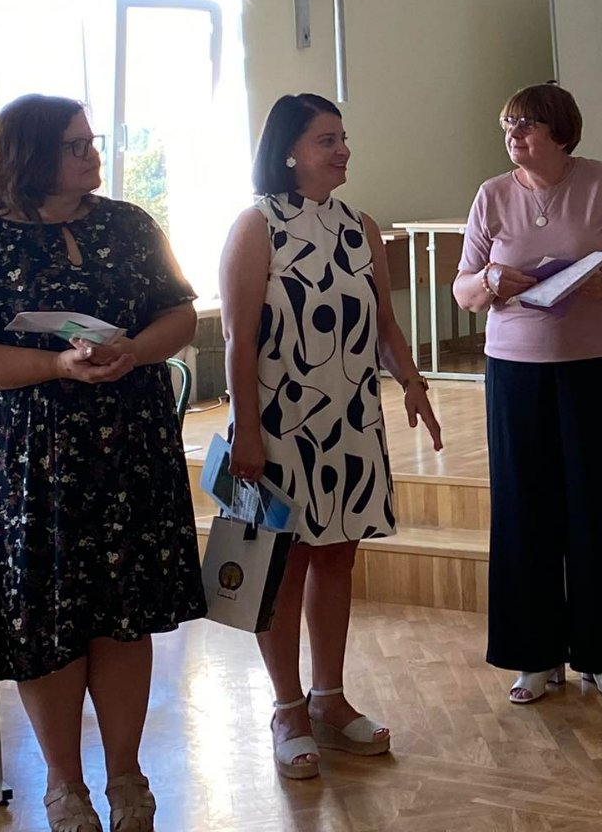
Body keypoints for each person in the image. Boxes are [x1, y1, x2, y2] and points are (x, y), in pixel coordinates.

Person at [0, 95, 204, 832]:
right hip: (33, 464)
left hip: (128, 452)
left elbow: (180, 312)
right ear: (30, 156)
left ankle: (126, 776)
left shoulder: (130, 225)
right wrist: (56, 364)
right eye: (74, 145)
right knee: (45, 623)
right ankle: (64, 785)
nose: (92, 154)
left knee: (124, 616)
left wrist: (133, 351)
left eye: (92, 141)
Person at [219, 93, 442, 780]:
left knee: (337, 557)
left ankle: (329, 697)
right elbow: (238, 340)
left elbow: (384, 323)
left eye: (343, 137)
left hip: (348, 419)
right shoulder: (256, 226)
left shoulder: (359, 226)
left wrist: (412, 382)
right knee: (281, 566)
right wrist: (246, 431)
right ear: (289, 151)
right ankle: (287, 708)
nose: (342, 150)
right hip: (277, 424)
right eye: (326, 140)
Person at [453, 84, 602, 704]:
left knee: (595, 503)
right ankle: (534, 656)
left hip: (591, 362)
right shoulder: (491, 194)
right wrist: (490, 279)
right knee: (523, 506)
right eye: (508, 125)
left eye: (527, 124)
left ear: (560, 131)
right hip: (515, 367)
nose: (514, 135)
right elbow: (463, 289)